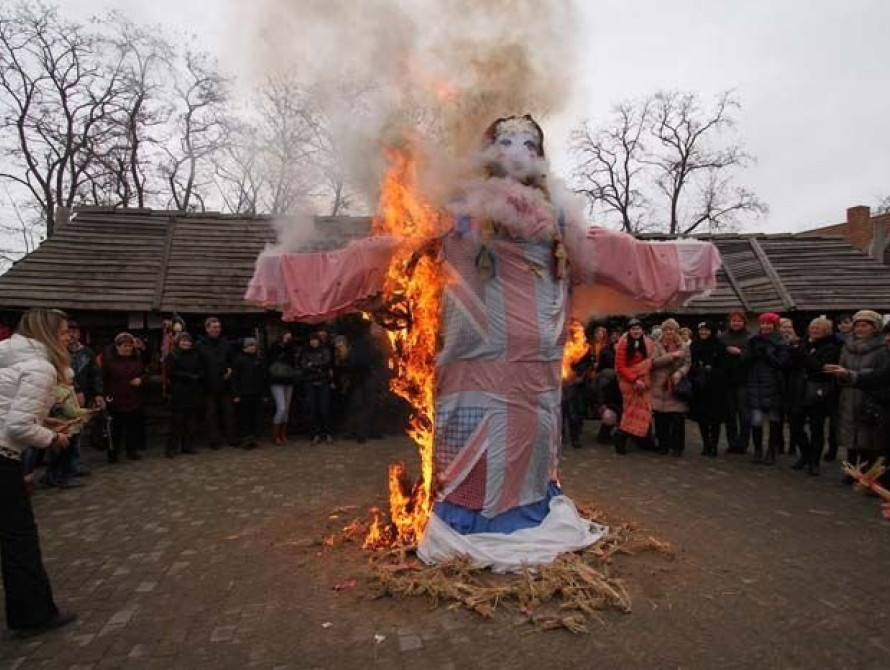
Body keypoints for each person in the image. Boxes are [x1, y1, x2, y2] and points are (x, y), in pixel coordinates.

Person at [0, 308, 77, 637]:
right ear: (47, 334)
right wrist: (53, 438)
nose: (69, 338)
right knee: (19, 539)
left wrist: (43, 420)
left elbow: (7, 406)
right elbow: (17, 426)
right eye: (63, 332)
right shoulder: (40, 367)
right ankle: (33, 614)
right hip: (2, 458)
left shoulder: (11, 358)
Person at [831, 310, 890, 476]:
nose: (860, 329)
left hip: (869, 397)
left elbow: (881, 375)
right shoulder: (847, 345)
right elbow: (842, 366)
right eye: (857, 326)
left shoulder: (882, 348)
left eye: (864, 326)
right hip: (849, 395)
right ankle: (851, 470)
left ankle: (866, 471)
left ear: (875, 327)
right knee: (850, 434)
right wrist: (841, 375)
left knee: (869, 436)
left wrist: (854, 375)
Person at [791, 317, 841, 476]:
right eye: (812, 327)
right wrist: (810, 361)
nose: (814, 330)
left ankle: (814, 461)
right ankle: (805, 454)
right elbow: (800, 363)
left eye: (818, 328)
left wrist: (803, 355)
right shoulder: (804, 343)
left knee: (816, 427)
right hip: (800, 389)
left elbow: (818, 367)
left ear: (826, 330)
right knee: (795, 425)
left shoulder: (832, 347)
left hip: (819, 390)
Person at [744, 312, 791, 465]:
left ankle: (771, 451)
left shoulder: (781, 342)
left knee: (774, 419)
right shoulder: (753, 340)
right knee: (756, 420)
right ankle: (758, 451)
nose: (765, 326)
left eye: (769, 323)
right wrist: (750, 353)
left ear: (774, 325)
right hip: (755, 383)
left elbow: (782, 364)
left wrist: (767, 354)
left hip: (774, 385)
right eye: (763, 323)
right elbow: (744, 362)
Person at [42, 368, 95, 488]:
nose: (72, 380)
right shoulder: (64, 392)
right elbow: (70, 411)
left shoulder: (56, 390)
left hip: (60, 427)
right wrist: (87, 411)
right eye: (71, 378)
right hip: (68, 427)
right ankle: (63, 478)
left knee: (58, 456)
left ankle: (50, 476)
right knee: (65, 456)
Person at [614, 319, 657, 455]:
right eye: (633, 329)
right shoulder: (623, 343)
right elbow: (620, 367)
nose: (636, 331)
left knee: (645, 411)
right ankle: (620, 439)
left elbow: (651, 360)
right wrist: (634, 379)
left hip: (644, 381)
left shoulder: (648, 343)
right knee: (631, 412)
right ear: (629, 330)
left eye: (638, 328)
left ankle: (645, 441)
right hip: (629, 383)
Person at [102, 333, 146, 463]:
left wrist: (141, 380)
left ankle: (132, 451)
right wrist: (103, 396)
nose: (127, 348)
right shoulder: (109, 362)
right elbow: (103, 379)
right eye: (124, 346)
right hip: (115, 399)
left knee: (132, 428)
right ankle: (113, 453)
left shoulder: (137, 359)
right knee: (115, 429)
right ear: (117, 346)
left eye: (129, 346)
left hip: (133, 398)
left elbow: (144, 374)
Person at [649, 319, 690, 456]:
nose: (669, 332)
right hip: (659, 386)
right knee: (661, 418)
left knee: (678, 418)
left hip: (675, 386)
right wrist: (672, 356)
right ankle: (663, 445)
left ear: (676, 331)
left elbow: (687, 363)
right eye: (666, 329)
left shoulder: (683, 346)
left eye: (671, 329)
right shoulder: (656, 345)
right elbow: (654, 363)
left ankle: (677, 447)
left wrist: (680, 373)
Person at [67, 320, 104, 468]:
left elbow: (95, 374)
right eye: (68, 331)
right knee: (64, 429)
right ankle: (63, 464)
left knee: (78, 428)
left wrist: (98, 393)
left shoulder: (87, 353)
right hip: (63, 396)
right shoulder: (58, 351)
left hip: (84, 396)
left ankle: (74, 460)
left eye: (74, 331)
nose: (71, 335)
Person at [197, 317, 238, 449]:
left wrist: (230, 369)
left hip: (225, 384)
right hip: (208, 385)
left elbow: (232, 360)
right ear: (207, 328)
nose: (217, 329)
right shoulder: (200, 345)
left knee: (229, 412)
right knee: (211, 414)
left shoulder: (225, 343)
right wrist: (203, 378)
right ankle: (214, 441)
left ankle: (232, 438)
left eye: (219, 327)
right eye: (214, 327)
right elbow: (198, 365)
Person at [689, 321, 728, 457]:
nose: (703, 332)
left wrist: (712, 371)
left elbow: (724, 367)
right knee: (702, 418)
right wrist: (696, 370)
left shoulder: (719, 346)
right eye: (701, 330)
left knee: (715, 418)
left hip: (715, 387)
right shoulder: (694, 345)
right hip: (699, 386)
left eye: (706, 330)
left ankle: (714, 445)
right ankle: (706, 444)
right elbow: (690, 363)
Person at [165, 332, 204, 458]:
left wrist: (198, 376)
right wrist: (187, 376)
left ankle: (188, 446)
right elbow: (171, 372)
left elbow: (200, 368)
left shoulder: (195, 355)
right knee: (177, 422)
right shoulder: (172, 355)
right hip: (178, 392)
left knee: (191, 423)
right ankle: (171, 448)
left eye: (188, 341)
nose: (186, 343)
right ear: (178, 342)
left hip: (193, 392)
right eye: (183, 341)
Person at [720, 311, 751, 454]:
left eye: (739, 321)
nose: (736, 323)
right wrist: (726, 350)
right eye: (734, 320)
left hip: (743, 380)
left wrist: (740, 353)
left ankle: (743, 443)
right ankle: (732, 442)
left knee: (744, 413)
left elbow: (753, 355)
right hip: (727, 380)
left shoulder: (750, 337)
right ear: (729, 322)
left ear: (744, 322)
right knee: (730, 414)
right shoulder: (722, 337)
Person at [232, 338, 267, 449]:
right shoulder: (239, 360)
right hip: (244, 393)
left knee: (254, 417)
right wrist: (236, 394)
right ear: (245, 347)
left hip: (256, 392)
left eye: (254, 345)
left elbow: (263, 377)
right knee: (244, 417)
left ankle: (252, 438)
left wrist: (264, 393)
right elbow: (235, 378)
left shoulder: (258, 360)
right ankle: (245, 439)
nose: (252, 347)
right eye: (250, 345)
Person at [300, 331, 334, 444]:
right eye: (312, 340)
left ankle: (328, 433)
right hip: (310, 382)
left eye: (315, 340)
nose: (313, 342)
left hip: (323, 381)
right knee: (312, 409)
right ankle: (315, 434)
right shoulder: (306, 352)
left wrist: (312, 365)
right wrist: (317, 367)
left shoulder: (325, 350)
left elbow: (327, 363)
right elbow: (304, 365)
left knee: (324, 409)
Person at [268, 330, 299, 445]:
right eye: (286, 336)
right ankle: (275, 435)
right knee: (281, 408)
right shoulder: (275, 347)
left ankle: (283, 434)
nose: (288, 338)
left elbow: (292, 364)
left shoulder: (291, 348)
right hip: (277, 381)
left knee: (286, 410)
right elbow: (271, 362)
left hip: (289, 381)